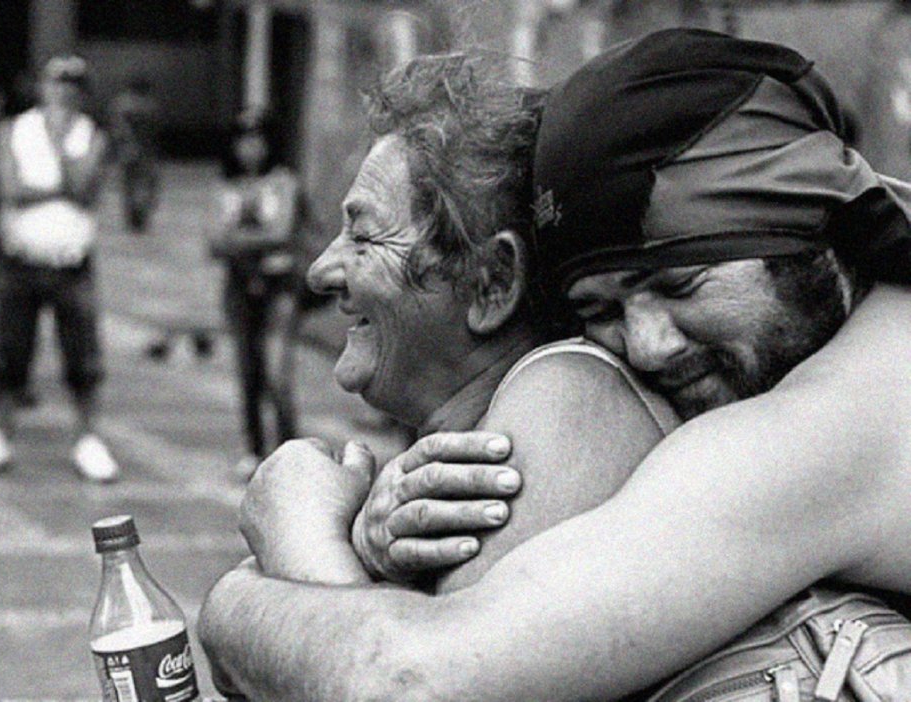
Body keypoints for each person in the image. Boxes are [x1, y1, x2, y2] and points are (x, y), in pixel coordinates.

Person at [199, 31, 911, 700]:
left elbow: (407, 684)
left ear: (809, 233)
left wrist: (268, 561)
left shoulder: (833, 424)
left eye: (681, 285)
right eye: (601, 310)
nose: (648, 345)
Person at [0, 55, 119, 482]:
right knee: (9, 353)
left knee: (82, 356)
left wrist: (58, 145)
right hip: (20, 260)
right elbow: (9, 188)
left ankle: (88, 438)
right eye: (56, 81)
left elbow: (84, 188)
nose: (63, 91)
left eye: (73, 84)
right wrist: (57, 183)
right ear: (41, 85)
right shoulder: (14, 129)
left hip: (71, 261)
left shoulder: (91, 135)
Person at [210, 110, 312, 479]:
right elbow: (213, 240)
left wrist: (237, 240)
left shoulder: (283, 182)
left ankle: (291, 448)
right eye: (243, 141)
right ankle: (253, 447)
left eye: (257, 140)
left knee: (276, 371)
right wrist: (254, 241)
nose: (250, 148)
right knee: (247, 371)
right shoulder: (227, 186)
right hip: (239, 287)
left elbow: (283, 232)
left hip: (278, 286)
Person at [108, 76, 161, 233]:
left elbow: (117, 128)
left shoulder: (120, 104)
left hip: (128, 149)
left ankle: (134, 215)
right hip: (144, 150)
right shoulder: (150, 105)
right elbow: (155, 130)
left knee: (129, 184)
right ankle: (139, 215)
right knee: (144, 183)